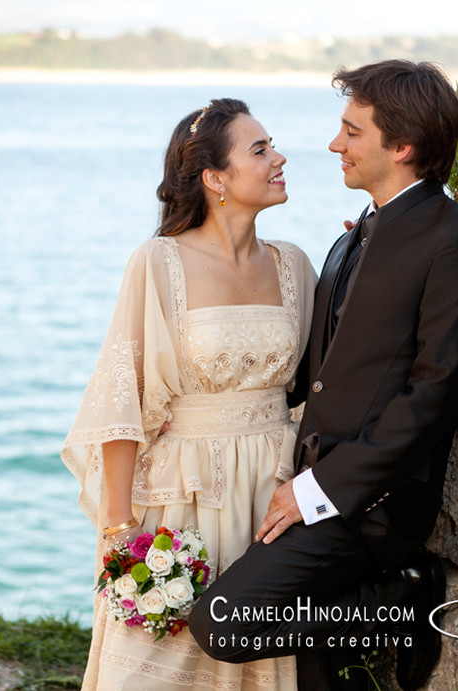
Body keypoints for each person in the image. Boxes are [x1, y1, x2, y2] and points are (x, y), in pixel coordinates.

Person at [189, 61, 458, 691]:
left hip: (373, 505)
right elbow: (323, 372)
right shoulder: (351, 239)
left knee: (222, 625)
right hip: (312, 479)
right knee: (323, 680)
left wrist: (316, 492)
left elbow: (432, 398)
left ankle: (405, 602)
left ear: (403, 146)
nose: (336, 144)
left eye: (351, 131)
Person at [62, 98, 317, 690]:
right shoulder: (158, 262)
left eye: (272, 146)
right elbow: (122, 401)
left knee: (253, 662)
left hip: (270, 497)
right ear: (215, 178)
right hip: (182, 494)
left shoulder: (295, 266)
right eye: (260, 150)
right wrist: (120, 531)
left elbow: (313, 390)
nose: (279, 158)